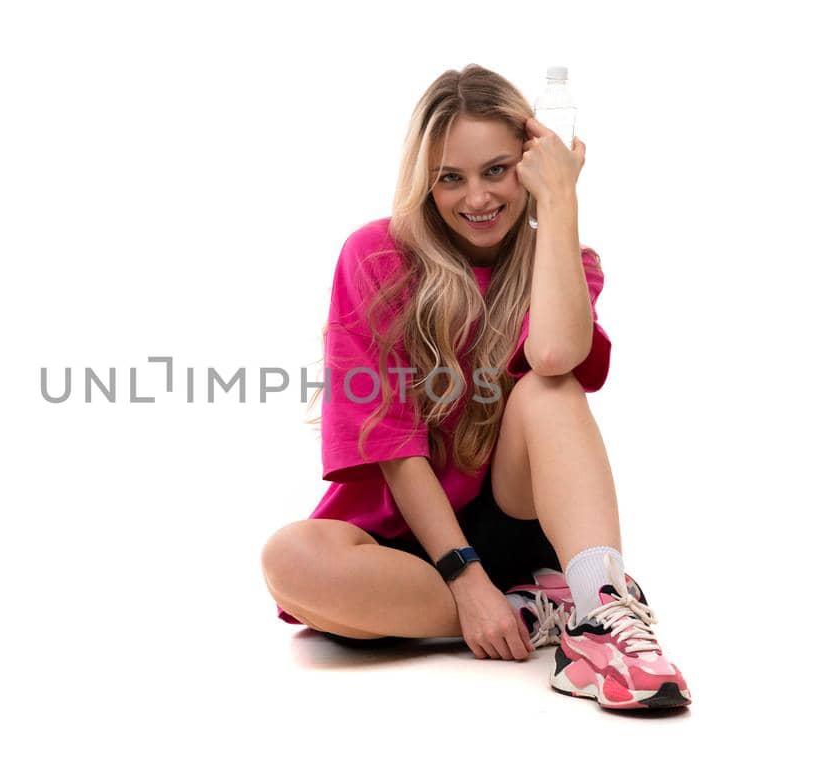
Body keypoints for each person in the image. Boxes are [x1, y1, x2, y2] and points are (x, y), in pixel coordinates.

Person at [259, 64, 691, 710]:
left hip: (511, 517)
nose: (478, 197)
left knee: (549, 389)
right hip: (409, 537)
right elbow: (392, 442)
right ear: (425, 181)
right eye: (450, 178)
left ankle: (601, 613)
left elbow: (552, 352)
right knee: (289, 560)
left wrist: (560, 202)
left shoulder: (562, 263)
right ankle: (533, 611)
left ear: (530, 161)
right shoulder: (374, 257)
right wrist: (467, 583)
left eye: (497, 170)